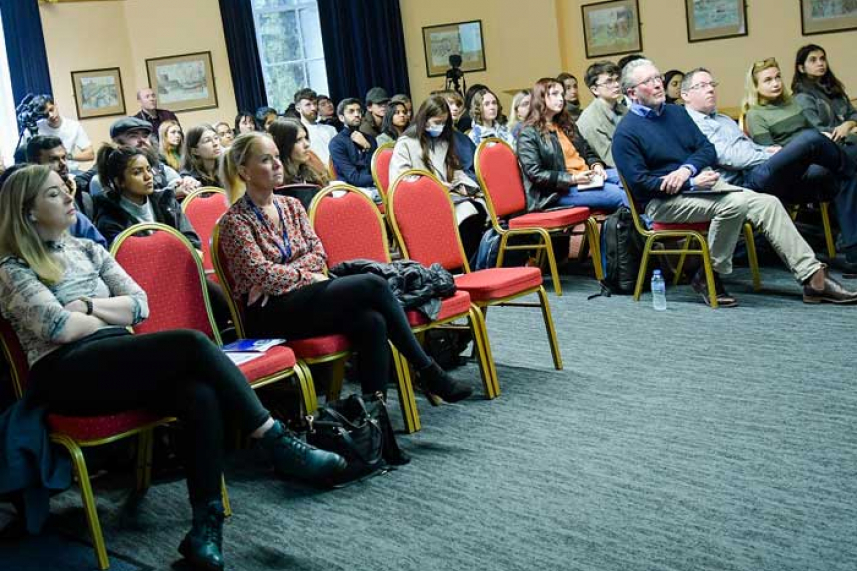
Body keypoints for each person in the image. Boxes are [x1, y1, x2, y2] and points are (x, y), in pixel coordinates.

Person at [0, 164, 346, 571]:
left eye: (66, 189)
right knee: (190, 342)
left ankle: (205, 530)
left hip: (116, 354)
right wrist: (105, 314)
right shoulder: (12, 268)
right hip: (65, 373)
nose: (70, 197)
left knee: (196, 393)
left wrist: (89, 307)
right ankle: (275, 439)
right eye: (55, 194)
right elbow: (58, 327)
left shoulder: (88, 249)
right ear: (28, 211)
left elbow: (140, 303)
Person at [218, 132, 472, 404]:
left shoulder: (291, 206)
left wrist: (291, 274)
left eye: (277, 157)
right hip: (270, 315)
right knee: (372, 284)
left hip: (303, 298)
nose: (277, 164)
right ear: (244, 171)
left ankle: (374, 415)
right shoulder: (235, 222)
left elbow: (318, 254)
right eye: (266, 160)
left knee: (372, 321)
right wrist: (306, 276)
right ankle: (427, 370)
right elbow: (263, 274)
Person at [612, 58, 857, 306]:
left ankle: (813, 278)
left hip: (702, 188)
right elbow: (640, 184)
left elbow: (706, 149)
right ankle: (708, 274)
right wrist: (690, 184)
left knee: (768, 203)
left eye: (657, 78)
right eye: (648, 81)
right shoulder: (626, 133)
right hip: (662, 202)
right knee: (735, 203)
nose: (658, 85)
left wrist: (687, 170)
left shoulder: (676, 113)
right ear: (632, 92)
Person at [683, 67, 857, 272]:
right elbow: (730, 158)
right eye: (702, 86)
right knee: (812, 140)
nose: (710, 90)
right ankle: (848, 169)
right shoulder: (690, 124)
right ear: (685, 95)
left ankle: (853, 254)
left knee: (835, 175)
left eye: (712, 84)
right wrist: (770, 154)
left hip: (760, 172)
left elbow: (748, 148)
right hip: (744, 185)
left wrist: (766, 150)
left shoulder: (722, 119)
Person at [390, 95, 487, 260]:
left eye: (443, 122)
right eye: (436, 122)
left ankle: (468, 263)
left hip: (447, 196)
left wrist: (464, 185)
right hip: (420, 200)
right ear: (424, 119)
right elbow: (402, 180)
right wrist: (434, 185)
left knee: (478, 208)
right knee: (469, 214)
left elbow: (455, 170)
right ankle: (458, 263)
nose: (440, 127)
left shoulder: (444, 141)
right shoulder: (406, 143)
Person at [517, 77, 628, 213]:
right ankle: (644, 228)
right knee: (621, 194)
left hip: (587, 176)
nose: (561, 99)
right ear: (540, 98)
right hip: (557, 192)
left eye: (562, 94)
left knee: (629, 175)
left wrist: (596, 165)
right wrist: (572, 178)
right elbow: (535, 174)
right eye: (554, 94)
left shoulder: (565, 124)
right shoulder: (528, 132)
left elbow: (587, 151)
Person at [88, 117, 200, 200]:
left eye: (145, 136)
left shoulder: (160, 167)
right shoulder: (104, 177)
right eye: (133, 136)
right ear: (117, 143)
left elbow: (176, 181)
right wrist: (172, 194)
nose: (142, 140)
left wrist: (186, 182)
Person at [24, 137, 105, 247]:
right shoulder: (26, 201)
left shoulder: (82, 195)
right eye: (53, 160)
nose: (62, 164)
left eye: (64, 158)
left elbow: (100, 247)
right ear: (34, 164)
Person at [791, 44, 857, 162]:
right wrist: (846, 131)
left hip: (850, 138)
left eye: (822, 59)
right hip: (829, 146)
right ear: (801, 68)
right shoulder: (802, 97)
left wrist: (848, 125)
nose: (820, 63)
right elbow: (818, 130)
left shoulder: (833, 88)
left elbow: (853, 113)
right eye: (813, 60)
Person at [742, 57, 817, 147]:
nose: (776, 84)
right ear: (755, 87)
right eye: (768, 80)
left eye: (777, 77)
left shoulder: (792, 102)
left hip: (815, 148)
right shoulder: (755, 114)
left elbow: (813, 130)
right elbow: (768, 151)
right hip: (792, 156)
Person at [577, 61, 628, 168]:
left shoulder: (624, 110)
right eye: (609, 81)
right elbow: (611, 159)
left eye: (617, 79)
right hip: (609, 170)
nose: (616, 85)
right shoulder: (589, 119)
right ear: (595, 90)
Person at [329, 98, 380, 202]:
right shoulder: (336, 143)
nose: (357, 114)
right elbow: (353, 178)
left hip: (374, 187)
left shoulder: (370, 139)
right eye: (351, 111)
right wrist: (379, 178)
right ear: (341, 118)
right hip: (351, 191)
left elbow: (375, 168)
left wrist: (367, 146)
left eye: (359, 111)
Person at [35, 96, 93, 173]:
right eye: (46, 115)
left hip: (71, 171)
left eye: (51, 110)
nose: (51, 115)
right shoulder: (36, 128)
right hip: (47, 172)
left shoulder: (73, 126)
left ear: (56, 105)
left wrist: (67, 156)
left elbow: (90, 154)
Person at [267, 119, 330, 187]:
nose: (307, 144)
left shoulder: (312, 159)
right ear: (283, 144)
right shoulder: (276, 180)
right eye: (298, 140)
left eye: (306, 138)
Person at [293, 88, 337, 165]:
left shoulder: (330, 129)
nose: (313, 108)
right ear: (298, 108)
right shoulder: (296, 132)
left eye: (315, 104)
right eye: (308, 105)